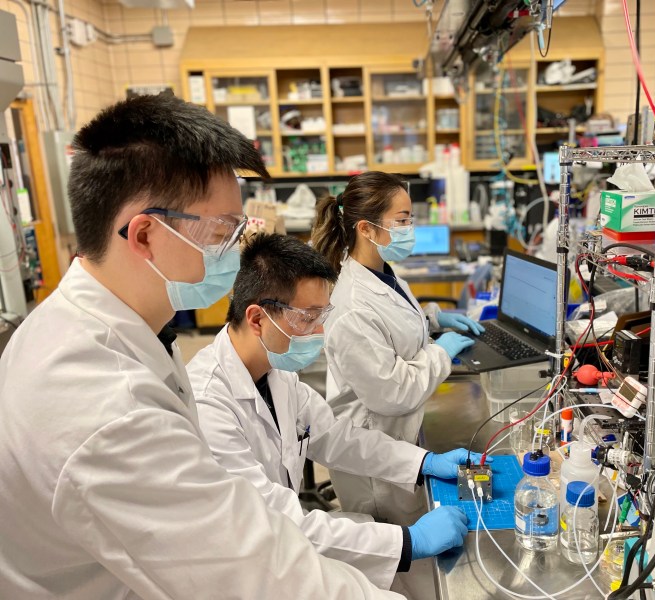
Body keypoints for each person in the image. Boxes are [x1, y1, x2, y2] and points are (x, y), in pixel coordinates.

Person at [0, 95, 404, 599]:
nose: (234, 251)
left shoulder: (116, 330)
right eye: (221, 231)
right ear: (144, 236)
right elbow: (256, 575)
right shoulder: (102, 403)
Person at [187, 232, 482, 590]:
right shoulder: (209, 405)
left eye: (322, 315)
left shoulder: (277, 375)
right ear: (257, 318)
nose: (320, 331)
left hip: (283, 544)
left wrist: (423, 464)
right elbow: (273, 521)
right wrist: (408, 542)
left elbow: (337, 437)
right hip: (241, 573)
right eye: (308, 317)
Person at [311, 171, 485, 525]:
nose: (410, 229)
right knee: (398, 559)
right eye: (402, 220)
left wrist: (434, 319)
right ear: (366, 229)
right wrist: (442, 351)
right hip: (374, 452)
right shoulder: (351, 305)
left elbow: (393, 324)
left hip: (400, 433)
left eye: (411, 219)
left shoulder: (380, 271)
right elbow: (394, 392)